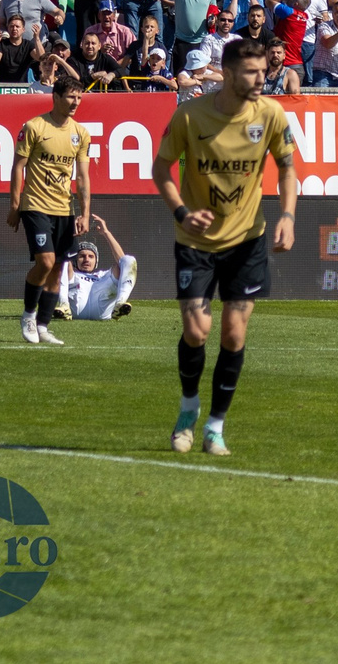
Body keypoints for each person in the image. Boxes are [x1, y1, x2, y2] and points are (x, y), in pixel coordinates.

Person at [152, 35, 297, 457]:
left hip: (247, 239)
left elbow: (288, 168)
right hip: (194, 240)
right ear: (228, 74)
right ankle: (187, 408)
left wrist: (287, 216)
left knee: (233, 333)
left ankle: (215, 426)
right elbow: (161, 168)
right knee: (197, 331)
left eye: (263, 70)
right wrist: (181, 211)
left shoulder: (270, 113)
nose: (261, 77)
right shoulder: (189, 116)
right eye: (251, 71)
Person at [7, 75, 90, 346]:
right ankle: (28, 316)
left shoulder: (81, 133)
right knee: (45, 261)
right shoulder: (34, 126)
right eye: (70, 97)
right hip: (35, 205)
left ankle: (43, 326)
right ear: (55, 96)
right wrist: (15, 205)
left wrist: (85, 213)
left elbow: (82, 178)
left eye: (79, 97)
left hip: (64, 208)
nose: (76, 102)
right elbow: (18, 167)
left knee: (58, 268)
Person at [56, 212, 138, 322]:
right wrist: (71, 234)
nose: (86, 259)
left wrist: (106, 232)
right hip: (75, 310)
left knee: (129, 260)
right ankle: (64, 305)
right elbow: (63, 252)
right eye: (82, 256)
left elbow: (124, 263)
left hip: (102, 311)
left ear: (96, 260)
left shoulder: (104, 275)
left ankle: (120, 304)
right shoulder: (71, 275)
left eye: (91, 256)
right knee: (63, 261)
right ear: (76, 260)